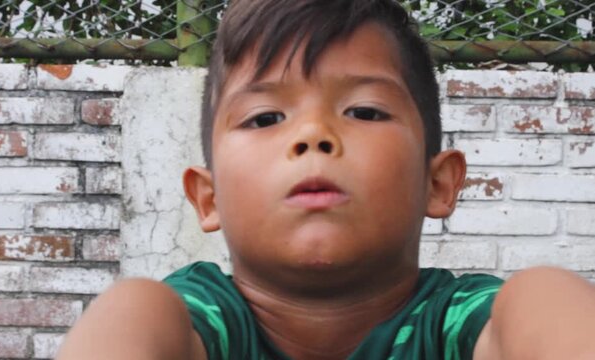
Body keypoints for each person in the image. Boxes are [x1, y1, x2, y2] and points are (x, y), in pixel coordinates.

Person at [56, 0, 595, 359]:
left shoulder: (464, 324)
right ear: (209, 196)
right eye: (265, 118)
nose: (314, 135)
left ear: (438, 183)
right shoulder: (178, 320)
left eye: (364, 111)